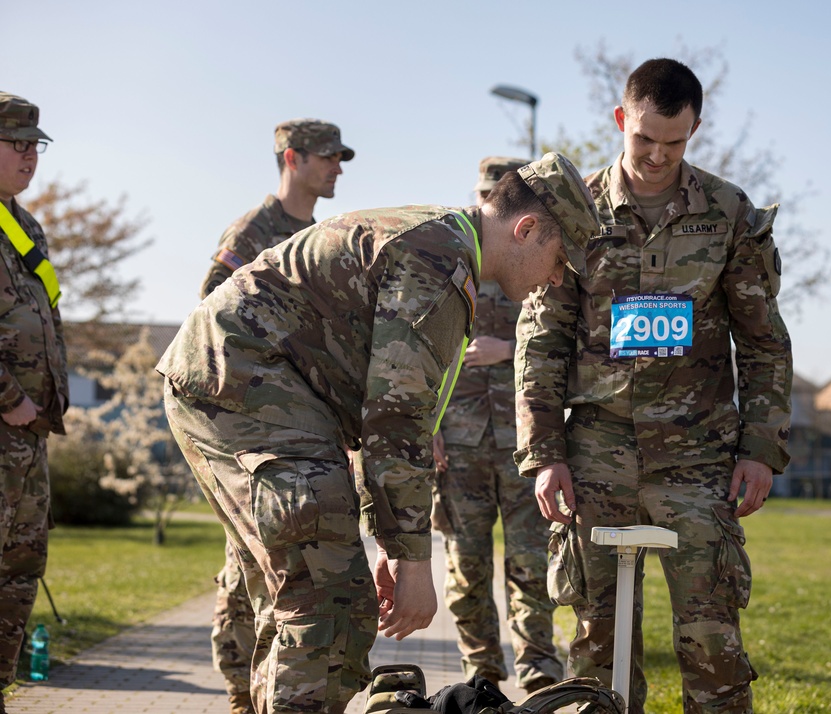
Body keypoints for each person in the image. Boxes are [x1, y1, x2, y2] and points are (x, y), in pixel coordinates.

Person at [158, 152, 599, 714]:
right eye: (560, 258)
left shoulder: (444, 242)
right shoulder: (440, 264)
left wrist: (394, 542)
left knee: (306, 596)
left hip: (246, 388)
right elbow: (396, 423)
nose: (557, 277)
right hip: (247, 388)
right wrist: (413, 561)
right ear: (527, 228)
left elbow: (384, 418)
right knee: (329, 600)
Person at [514, 59, 792, 713]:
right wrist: (544, 455)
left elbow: (763, 342)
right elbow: (541, 342)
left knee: (713, 644)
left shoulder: (729, 215)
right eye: (644, 140)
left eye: (675, 142)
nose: (658, 156)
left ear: (695, 128)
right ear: (621, 121)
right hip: (596, 455)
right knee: (594, 644)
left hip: (699, 458)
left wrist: (761, 447)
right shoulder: (573, 211)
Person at [201, 118, 354, 714]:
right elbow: (210, 323)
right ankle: (240, 689)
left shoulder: (316, 235)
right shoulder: (254, 231)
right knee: (247, 562)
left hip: (298, 424)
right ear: (292, 158)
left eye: (340, 157)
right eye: (327, 157)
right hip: (247, 425)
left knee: (275, 562)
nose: (337, 167)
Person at [431, 157, 562, 693]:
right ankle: (481, 678)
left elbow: (560, 343)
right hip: (457, 444)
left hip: (521, 442)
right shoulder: (448, 260)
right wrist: (426, 425)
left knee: (531, 566)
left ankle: (538, 676)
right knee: (467, 569)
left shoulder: (537, 256)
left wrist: (508, 349)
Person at [0, 93, 68, 712]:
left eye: (34, 144)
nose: (29, 156)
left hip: (27, 439)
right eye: (16, 143)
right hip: (6, 426)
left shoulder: (24, 227)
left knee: (19, 572)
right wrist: (9, 397)